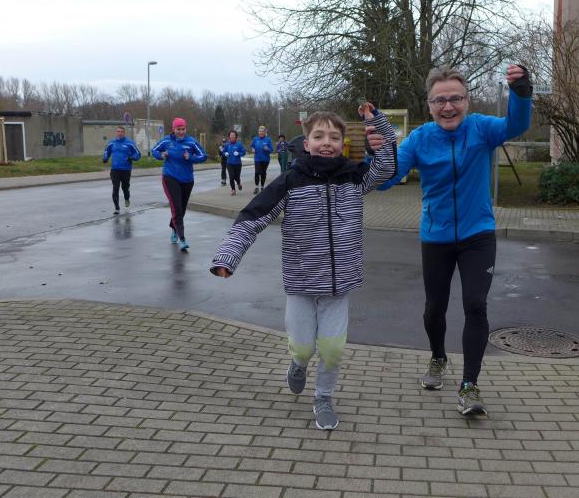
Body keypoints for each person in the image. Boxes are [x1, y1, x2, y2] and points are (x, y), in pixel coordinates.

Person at [210, 103, 396, 430]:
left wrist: (378, 123)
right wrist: (228, 256)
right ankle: (298, 363)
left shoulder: (354, 177)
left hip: (339, 286)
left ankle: (323, 397)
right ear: (307, 143)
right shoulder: (290, 182)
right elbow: (252, 218)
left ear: (342, 144)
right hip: (301, 284)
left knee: (333, 350)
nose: (327, 142)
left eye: (334, 137)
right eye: (319, 136)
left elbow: (387, 165)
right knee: (303, 346)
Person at [370, 64, 532, 416]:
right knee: (434, 308)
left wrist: (521, 92)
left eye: (455, 99)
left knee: (475, 304)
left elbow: (516, 125)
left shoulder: (481, 128)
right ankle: (438, 357)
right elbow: (386, 180)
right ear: (429, 106)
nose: (448, 107)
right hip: (437, 237)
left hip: (478, 235)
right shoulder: (420, 139)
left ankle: (469, 385)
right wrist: (378, 154)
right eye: (439, 101)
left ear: (467, 101)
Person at [152, 117, 208, 251]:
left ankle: (174, 227)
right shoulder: (167, 141)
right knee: (177, 208)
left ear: (186, 129)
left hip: (187, 179)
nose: (181, 132)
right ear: (173, 129)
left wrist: (191, 157)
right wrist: (161, 155)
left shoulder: (191, 142)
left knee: (181, 208)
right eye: (178, 129)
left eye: (183, 129)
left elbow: (203, 156)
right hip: (170, 177)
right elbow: (154, 150)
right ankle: (182, 238)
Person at [102, 126, 141, 215]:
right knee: (115, 187)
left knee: (125, 187)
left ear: (124, 133)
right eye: (118, 131)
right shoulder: (112, 143)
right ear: (116, 132)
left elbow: (138, 154)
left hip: (126, 169)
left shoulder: (130, 143)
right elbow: (107, 151)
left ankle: (127, 198)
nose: (120, 133)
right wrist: (105, 158)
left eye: (121, 131)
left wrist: (132, 158)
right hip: (115, 169)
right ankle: (117, 208)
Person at [250, 125, 273, 194]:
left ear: (265, 132)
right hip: (257, 159)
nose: (261, 132)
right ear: (258, 132)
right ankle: (256, 187)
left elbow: (271, 150)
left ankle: (262, 187)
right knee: (257, 172)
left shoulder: (268, 139)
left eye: (262, 131)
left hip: (265, 159)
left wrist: (267, 149)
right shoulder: (255, 139)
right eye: (260, 131)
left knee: (263, 173)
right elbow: (251, 146)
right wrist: (252, 149)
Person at [222, 130, 245, 195]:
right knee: (231, 177)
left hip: (238, 164)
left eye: (233, 135)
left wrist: (238, 153)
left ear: (236, 137)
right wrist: (225, 153)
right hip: (229, 163)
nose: (232, 137)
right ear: (229, 137)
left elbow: (243, 152)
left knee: (237, 177)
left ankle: (239, 183)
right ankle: (233, 190)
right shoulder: (227, 145)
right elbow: (223, 152)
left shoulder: (239, 144)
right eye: (231, 135)